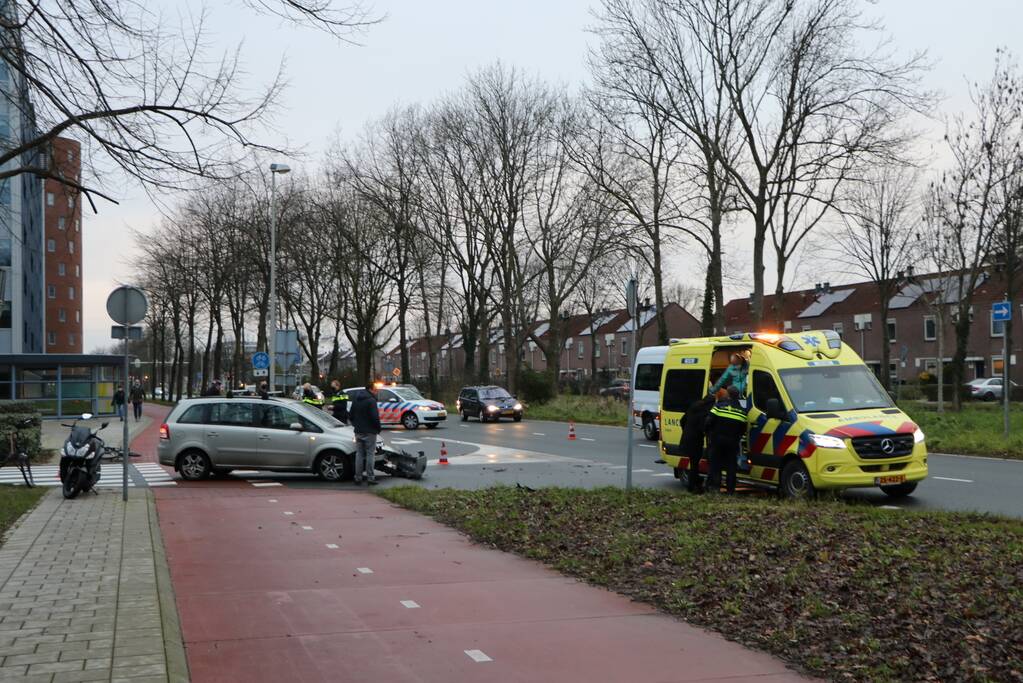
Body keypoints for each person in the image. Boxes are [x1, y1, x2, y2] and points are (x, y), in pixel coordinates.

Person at [704, 386, 748, 494]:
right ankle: (730, 490)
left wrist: (709, 433)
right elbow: (743, 430)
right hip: (732, 442)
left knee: (716, 465)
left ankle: (715, 488)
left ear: (728, 395)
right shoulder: (742, 412)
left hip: (717, 441)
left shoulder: (719, 407)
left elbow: (708, 422)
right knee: (731, 466)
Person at [679, 393, 715, 493]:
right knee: (694, 464)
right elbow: (702, 427)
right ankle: (692, 487)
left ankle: (696, 484)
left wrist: (686, 431)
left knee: (693, 463)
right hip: (695, 441)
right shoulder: (704, 412)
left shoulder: (692, 408)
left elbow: (682, 421)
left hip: (686, 438)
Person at [348, 384, 381, 485]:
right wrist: (378, 428)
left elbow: (351, 415)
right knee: (370, 454)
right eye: (375, 390)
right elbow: (374, 417)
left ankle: (358, 477)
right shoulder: (371, 401)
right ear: (370, 389)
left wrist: (356, 425)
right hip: (370, 431)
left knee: (359, 454)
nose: (377, 392)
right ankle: (370, 478)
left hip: (358, 431)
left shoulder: (356, 399)